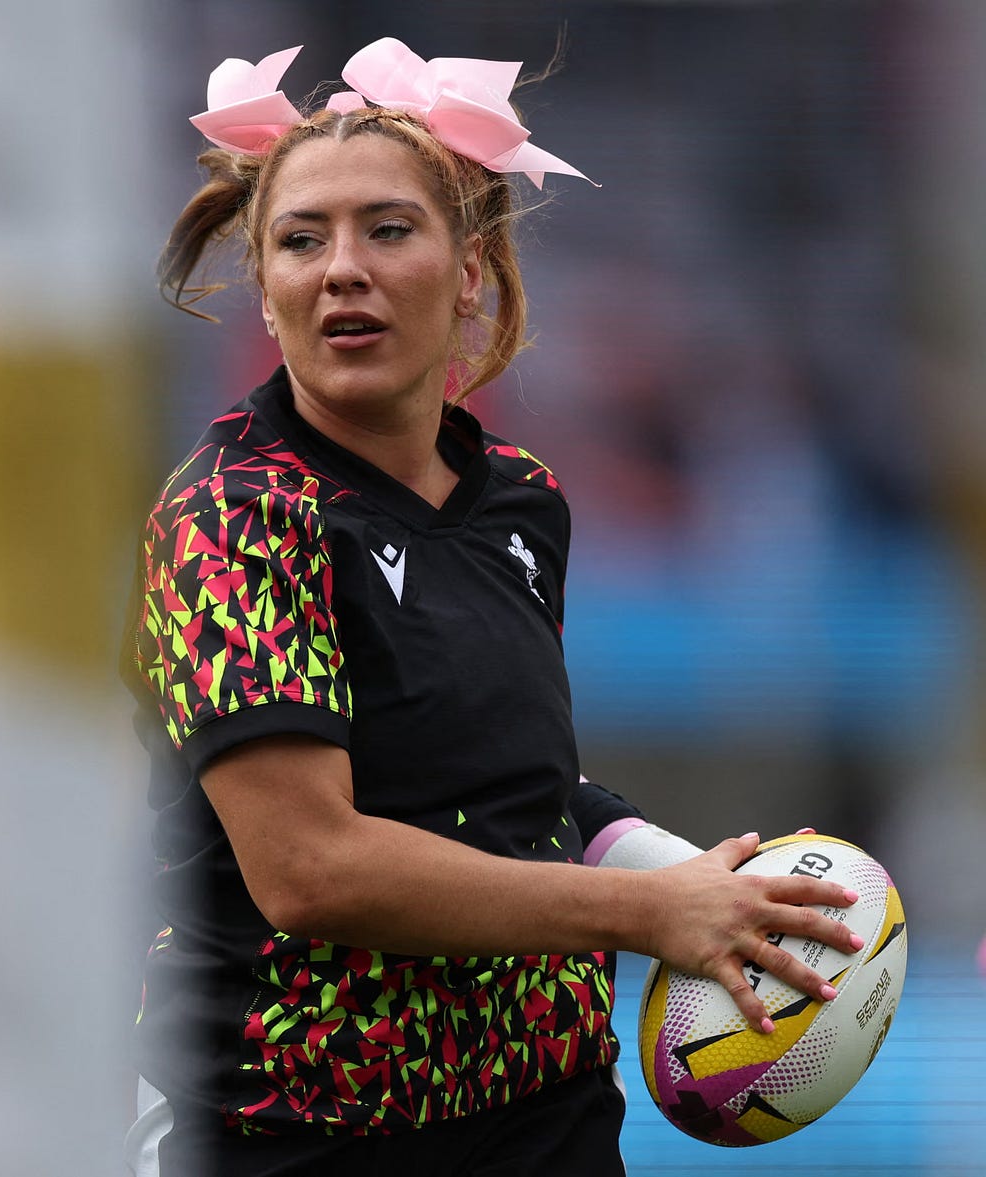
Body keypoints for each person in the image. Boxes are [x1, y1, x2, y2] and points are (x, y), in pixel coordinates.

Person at [121, 37, 863, 1176]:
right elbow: (311, 868)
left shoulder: (519, 496)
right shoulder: (232, 517)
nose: (342, 268)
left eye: (388, 228)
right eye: (301, 239)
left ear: (470, 268)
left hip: (551, 1120)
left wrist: (707, 884)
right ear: (265, 292)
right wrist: (646, 915)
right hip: (298, 1137)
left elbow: (513, 794)